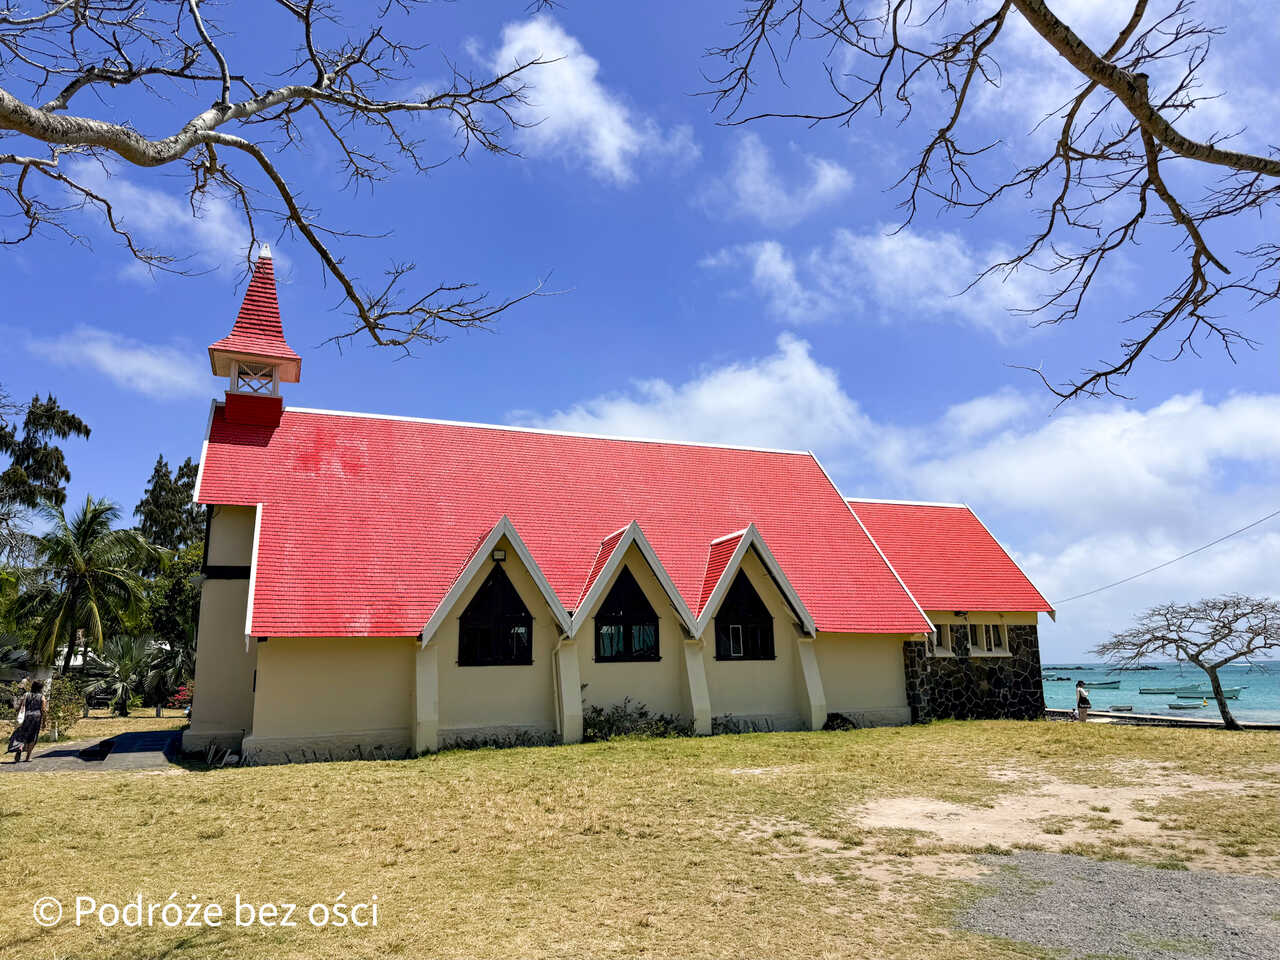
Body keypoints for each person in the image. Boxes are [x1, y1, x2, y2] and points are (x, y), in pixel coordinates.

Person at [7, 679, 46, 762]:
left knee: (23, 734)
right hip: (36, 717)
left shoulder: (26, 695)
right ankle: (28, 757)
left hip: (26, 716)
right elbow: (43, 710)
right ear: (40, 688)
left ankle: (20, 748)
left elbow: (20, 706)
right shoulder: (42, 697)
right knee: (33, 736)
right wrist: (44, 721)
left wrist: (18, 715)